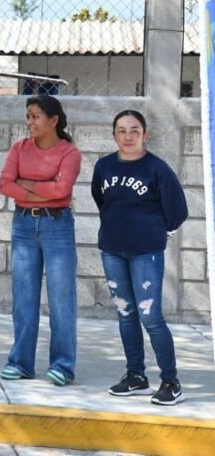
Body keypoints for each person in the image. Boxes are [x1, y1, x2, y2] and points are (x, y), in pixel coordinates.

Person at [92, 110, 188, 406]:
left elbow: (177, 210)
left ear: (145, 134)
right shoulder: (104, 166)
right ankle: (136, 376)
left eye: (134, 130)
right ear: (114, 134)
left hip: (146, 253)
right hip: (112, 250)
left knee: (151, 316)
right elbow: (101, 200)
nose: (128, 136)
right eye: (121, 130)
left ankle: (171, 381)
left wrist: (155, 233)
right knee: (125, 313)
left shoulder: (157, 168)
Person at [0, 95, 82, 386]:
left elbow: (63, 190)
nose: (29, 122)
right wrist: (43, 191)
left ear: (53, 120)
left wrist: (27, 185)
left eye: (35, 116)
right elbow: (5, 185)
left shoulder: (69, 153)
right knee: (24, 296)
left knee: (61, 298)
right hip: (22, 225)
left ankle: (63, 366)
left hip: (57, 226)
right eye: (28, 116)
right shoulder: (19, 148)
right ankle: (20, 363)